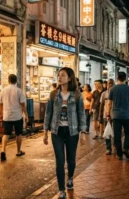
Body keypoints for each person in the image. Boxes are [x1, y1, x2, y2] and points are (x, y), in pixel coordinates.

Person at [43, 67, 86, 199]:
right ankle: (61, 190)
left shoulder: (77, 95)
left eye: (62, 75)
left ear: (69, 78)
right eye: (58, 75)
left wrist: (83, 131)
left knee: (71, 160)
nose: (59, 77)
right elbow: (48, 113)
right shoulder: (53, 94)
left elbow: (81, 113)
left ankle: (70, 178)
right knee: (59, 161)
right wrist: (45, 132)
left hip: (72, 131)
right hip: (57, 132)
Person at [106, 72, 129, 160]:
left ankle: (119, 154)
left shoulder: (112, 89)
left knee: (117, 135)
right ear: (125, 78)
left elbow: (109, 103)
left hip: (115, 115)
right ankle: (126, 148)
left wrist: (108, 114)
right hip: (127, 115)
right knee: (128, 133)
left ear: (117, 78)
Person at [0, 74, 29, 161]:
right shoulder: (19, 91)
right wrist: (26, 115)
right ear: (16, 81)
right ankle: (18, 151)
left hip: (7, 116)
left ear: (8, 80)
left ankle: (3, 150)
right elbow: (23, 105)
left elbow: (1, 103)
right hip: (17, 116)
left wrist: (1, 113)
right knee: (18, 134)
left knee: (6, 134)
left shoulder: (3, 90)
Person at [101, 79, 115, 155]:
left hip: (115, 115)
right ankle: (108, 148)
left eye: (111, 84)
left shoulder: (116, 93)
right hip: (106, 115)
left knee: (115, 132)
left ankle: (115, 146)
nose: (109, 85)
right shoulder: (104, 94)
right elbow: (101, 104)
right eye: (108, 84)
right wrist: (100, 116)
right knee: (107, 132)